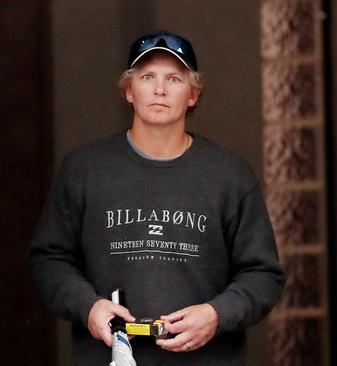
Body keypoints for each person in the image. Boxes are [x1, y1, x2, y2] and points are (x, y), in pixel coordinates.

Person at [28, 30, 285, 366]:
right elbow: (48, 260)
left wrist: (217, 314)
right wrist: (88, 307)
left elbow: (264, 274)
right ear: (128, 91)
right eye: (147, 77)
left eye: (174, 78)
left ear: (194, 94)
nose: (160, 89)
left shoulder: (230, 175)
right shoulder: (85, 169)